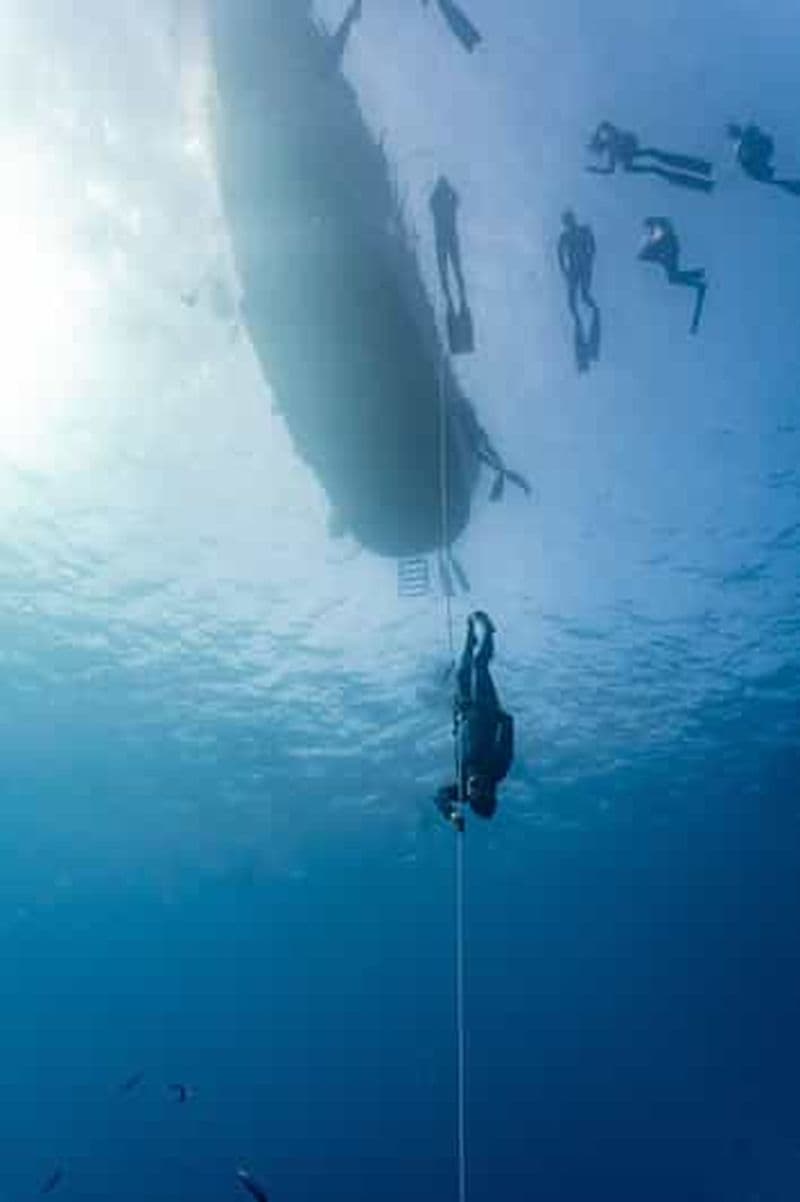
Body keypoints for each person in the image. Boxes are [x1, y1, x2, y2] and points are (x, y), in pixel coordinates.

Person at [435, 612, 514, 829]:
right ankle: (488, 631)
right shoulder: (499, 767)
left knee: (462, 673)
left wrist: (451, 815)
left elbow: (440, 796)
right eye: (480, 787)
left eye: (472, 791)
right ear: (490, 789)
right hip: (486, 710)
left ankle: (470, 635)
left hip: (464, 716)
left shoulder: (463, 790)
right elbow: (508, 722)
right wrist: (484, 710)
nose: (473, 785)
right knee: (480, 665)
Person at [587, 122, 715, 192]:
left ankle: (702, 173)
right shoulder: (611, 151)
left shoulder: (611, 139)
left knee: (656, 162)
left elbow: (605, 124)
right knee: (655, 166)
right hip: (629, 156)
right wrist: (596, 170)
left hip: (630, 151)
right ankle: (702, 177)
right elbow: (610, 169)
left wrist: (598, 134)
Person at [638, 217, 707, 335]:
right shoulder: (658, 229)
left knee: (672, 277)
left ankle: (698, 276)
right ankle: (698, 274)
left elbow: (661, 239)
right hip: (667, 248)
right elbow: (649, 251)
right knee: (672, 277)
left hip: (668, 247)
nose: (648, 231)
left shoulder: (659, 228)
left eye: (649, 228)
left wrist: (656, 253)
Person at [430, 175, 475, 354]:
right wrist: (448, 189)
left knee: (449, 269)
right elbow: (456, 199)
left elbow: (434, 202)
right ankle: (457, 297)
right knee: (453, 268)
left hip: (443, 238)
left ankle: (454, 297)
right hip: (449, 237)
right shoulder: (447, 204)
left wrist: (442, 188)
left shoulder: (440, 204)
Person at [557, 210, 601, 371]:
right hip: (576, 269)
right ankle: (582, 328)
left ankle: (588, 322)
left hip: (581, 268)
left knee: (583, 297)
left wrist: (588, 261)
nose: (568, 223)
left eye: (569, 220)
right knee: (575, 301)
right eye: (567, 221)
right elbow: (560, 255)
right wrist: (565, 271)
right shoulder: (566, 236)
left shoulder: (583, 230)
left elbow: (593, 247)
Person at [727, 122, 800, 195]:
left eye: (732, 133)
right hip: (760, 168)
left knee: (777, 185)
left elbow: (751, 156)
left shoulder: (747, 141)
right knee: (777, 185)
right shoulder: (744, 143)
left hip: (759, 167)